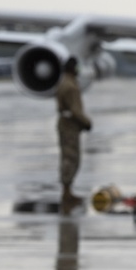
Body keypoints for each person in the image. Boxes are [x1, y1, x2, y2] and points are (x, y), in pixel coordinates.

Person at [55, 57, 91, 215]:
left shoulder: (64, 82)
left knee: (67, 157)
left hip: (66, 123)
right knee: (71, 158)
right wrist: (87, 122)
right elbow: (76, 110)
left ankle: (67, 191)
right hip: (70, 125)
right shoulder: (70, 86)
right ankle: (67, 192)